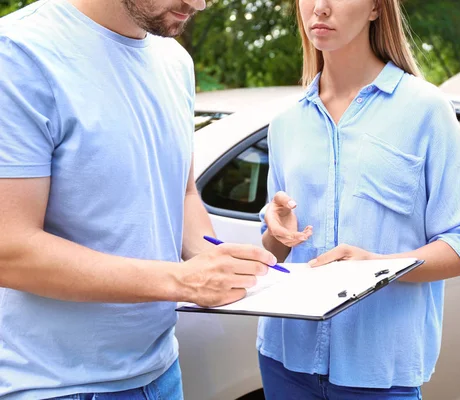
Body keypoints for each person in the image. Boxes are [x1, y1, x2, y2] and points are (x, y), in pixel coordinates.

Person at [0, 0, 277, 399]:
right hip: (54, 385)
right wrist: (182, 281)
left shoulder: (175, 60)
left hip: (162, 372)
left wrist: (211, 258)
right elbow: (10, 250)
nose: (198, 4)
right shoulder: (19, 53)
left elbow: (181, 192)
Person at [260, 0, 460, 398]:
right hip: (284, 359)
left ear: (377, 8)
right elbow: (273, 252)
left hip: (378, 372)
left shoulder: (427, 111)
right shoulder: (285, 124)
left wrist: (376, 268)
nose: (320, 8)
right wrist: (277, 233)